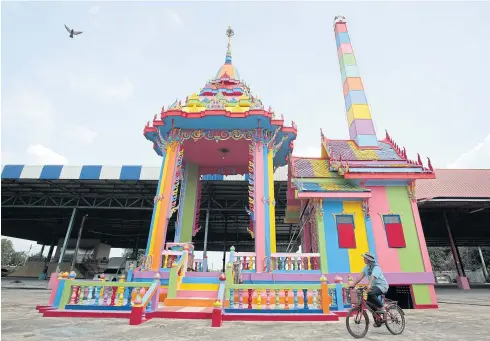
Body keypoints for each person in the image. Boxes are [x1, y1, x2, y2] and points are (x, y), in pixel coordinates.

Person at [350, 252, 389, 323]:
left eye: (364, 258)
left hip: (382, 286)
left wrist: (369, 284)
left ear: (368, 259)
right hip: (374, 287)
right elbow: (361, 276)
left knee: (370, 293)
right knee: (369, 303)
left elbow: (372, 276)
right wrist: (354, 284)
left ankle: (381, 307)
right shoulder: (366, 268)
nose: (363, 259)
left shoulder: (376, 267)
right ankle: (378, 320)